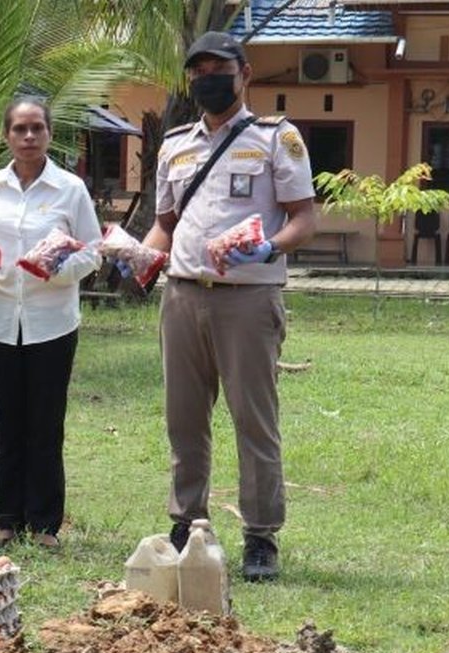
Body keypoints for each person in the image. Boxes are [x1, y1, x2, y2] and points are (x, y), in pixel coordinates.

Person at [139, 31, 315, 581]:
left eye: (218, 68)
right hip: (183, 295)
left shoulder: (275, 139)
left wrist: (270, 247)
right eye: (197, 72)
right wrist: (136, 256)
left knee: (253, 420)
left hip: (248, 299)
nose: (206, 79)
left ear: (245, 74)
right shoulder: (175, 145)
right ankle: (187, 521)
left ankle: (261, 536)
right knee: (184, 420)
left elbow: (304, 217)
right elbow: (166, 225)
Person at [0, 98, 103, 550]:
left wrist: (55, 270)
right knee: (7, 422)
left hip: (51, 321)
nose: (28, 137)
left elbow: (93, 250)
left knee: (45, 423)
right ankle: (7, 521)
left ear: (49, 133)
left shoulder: (70, 189)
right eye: (20, 129)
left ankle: (44, 525)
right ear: (6, 135)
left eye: (37, 128)